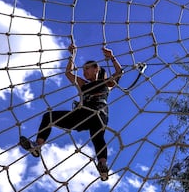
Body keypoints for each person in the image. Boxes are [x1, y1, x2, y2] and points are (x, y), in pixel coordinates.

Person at [20, 44, 122, 181]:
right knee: (49, 117)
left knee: (98, 137)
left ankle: (102, 165)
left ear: (96, 68)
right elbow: (68, 73)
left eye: (87, 69)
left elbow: (119, 72)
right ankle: (37, 146)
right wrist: (72, 56)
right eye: (83, 70)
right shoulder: (83, 84)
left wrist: (112, 57)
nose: (84, 72)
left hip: (98, 114)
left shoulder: (106, 83)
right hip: (82, 115)